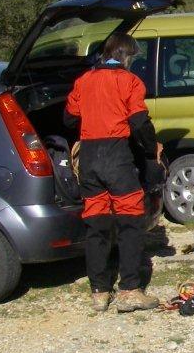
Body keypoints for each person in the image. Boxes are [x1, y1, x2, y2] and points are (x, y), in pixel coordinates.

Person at [64, 33, 162, 313]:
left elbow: (69, 117)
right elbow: (139, 121)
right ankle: (130, 290)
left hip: (90, 159)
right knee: (131, 223)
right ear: (126, 56)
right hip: (117, 156)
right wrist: (149, 149)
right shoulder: (129, 81)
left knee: (97, 225)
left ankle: (99, 292)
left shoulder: (84, 80)